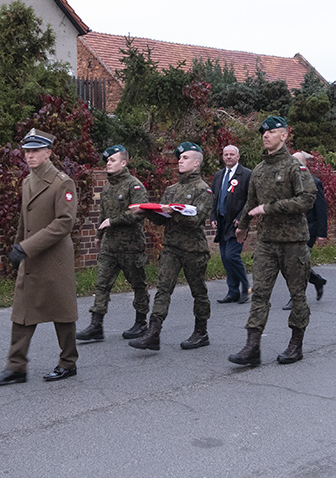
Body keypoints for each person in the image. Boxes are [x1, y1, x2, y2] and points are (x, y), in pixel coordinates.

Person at [0, 129, 79, 385]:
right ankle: (16, 366)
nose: (30, 156)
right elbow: (25, 221)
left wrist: (26, 247)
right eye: (27, 151)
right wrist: (18, 247)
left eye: (36, 151)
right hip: (31, 256)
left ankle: (68, 362)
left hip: (55, 258)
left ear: (48, 153)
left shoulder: (62, 182)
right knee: (22, 312)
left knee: (62, 313)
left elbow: (64, 223)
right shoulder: (28, 181)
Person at [229, 116, 316, 366]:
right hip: (266, 243)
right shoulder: (258, 169)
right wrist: (243, 225)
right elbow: (250, 202)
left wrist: (270, 208)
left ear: (284, 135)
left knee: (297, 295)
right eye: (263, 132)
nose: (265, 135)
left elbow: (307, 199)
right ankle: (252, 347)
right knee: (260, 295)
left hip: (293, 243)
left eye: (271, 131)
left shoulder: (294, 167)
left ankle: (295, 344)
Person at [128, 142, 213, 351]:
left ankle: (201, 331)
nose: (180, 162)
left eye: (185, 158)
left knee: (198, 291)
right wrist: (148, 211)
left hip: (194, 250)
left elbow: (196, 220)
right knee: (163, 289)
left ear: (196, 163)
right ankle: (153, 332)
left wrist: (174, 211)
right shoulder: (172, 189)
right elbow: (162, 220)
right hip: (172, 247)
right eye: (180, 158)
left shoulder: (204, 190)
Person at [76, 145, 149, 342]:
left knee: (138, 284)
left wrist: (114, 222)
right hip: (110, 245)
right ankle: (96, 325)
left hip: (131, 245)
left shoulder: (134, 185)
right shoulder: (108, 186)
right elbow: (103, 214)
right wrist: (99, 235)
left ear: (123, 163)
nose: (108, 163)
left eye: (113, 160)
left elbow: (139, 212)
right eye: (107, 161)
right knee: (102, 284)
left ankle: (141, 322)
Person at [282, 151, 328, 310]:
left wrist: (322, 233)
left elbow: (321, 210)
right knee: (291, 263)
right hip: (290, 231)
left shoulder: (314, 182)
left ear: (303, 164)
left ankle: (295, 298)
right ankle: (316, 280)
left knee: (297, 264)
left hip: (308, 230)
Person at [210, 144, 251, 304]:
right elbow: (214, 198)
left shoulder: (246, 175)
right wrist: (213, 216)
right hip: (222, 222)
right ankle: (232, 291)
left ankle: (245, 287)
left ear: (238, 156)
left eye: (231, 154)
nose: (228, 157)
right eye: (225, 154)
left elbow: (251, 200)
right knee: (225, 259)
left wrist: (242, 217)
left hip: (237, 224)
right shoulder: (219, 175)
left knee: (232, 255)